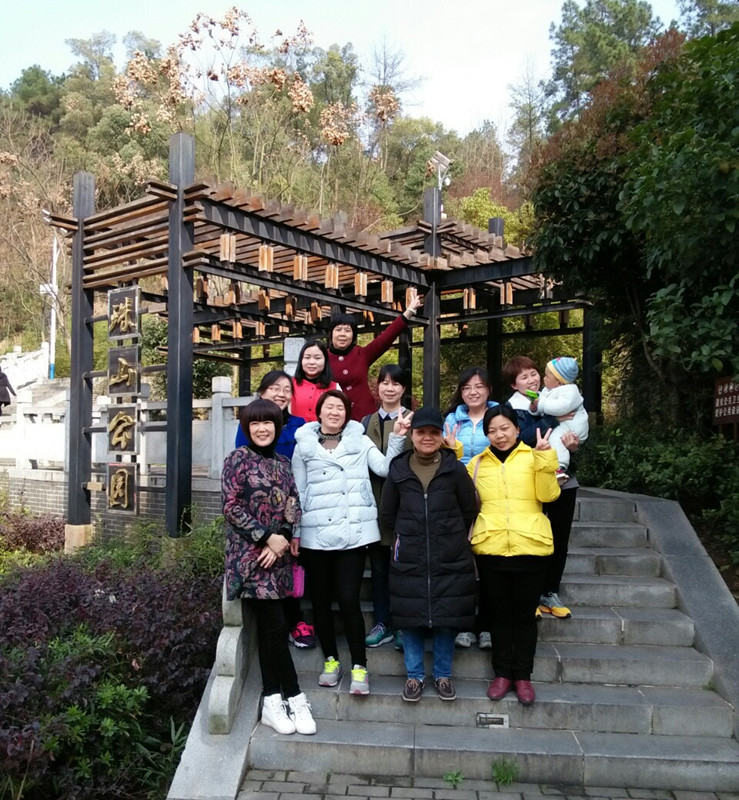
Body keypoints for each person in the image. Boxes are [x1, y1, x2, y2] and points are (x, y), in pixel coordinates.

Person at [292, 390, 409, 696]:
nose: (335, 412)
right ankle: (331, 661)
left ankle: (359, 665)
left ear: (347, 414)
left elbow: (384, 468)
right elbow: (298, 490)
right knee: (320, 602)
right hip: (315, 534)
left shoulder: (360, 439)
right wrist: (295, 532)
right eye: (329, 407)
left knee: (348, 600)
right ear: (318, 412)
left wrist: (397, 438)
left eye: (340, 408)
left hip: (352, 533)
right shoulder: (303, 445)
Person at [222, 398, 316, 735]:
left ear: (277, 426)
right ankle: (295, 695)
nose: (262, 429)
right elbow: (230, 507)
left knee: (271, 630)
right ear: (247, 427)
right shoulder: (237, 459)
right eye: (255, 423)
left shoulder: (282, 462)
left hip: (278, 558)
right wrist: (266, 538)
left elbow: (293, 503)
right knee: (275, 627)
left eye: (268, 423)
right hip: (250, 559)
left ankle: (272, 701)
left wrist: (283, 537)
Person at [381, 406, 478, 703]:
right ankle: (414, 676)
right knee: (410, 618)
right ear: (411, 435)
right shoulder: (399, 468)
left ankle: (442, 674)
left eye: (433, 432)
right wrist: (407, 537)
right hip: (409, 554)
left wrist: (449, 535)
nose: (427, 437)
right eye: (421, 432)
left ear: (441, 437)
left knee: (446, 618)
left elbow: (469, 508)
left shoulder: (454, 468)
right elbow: (387, 513)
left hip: (449, 554)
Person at [468, 404, 560, 705]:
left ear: (517, 429)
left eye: (505, 428)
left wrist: (545, 459)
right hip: (492, 548)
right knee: (498, 616)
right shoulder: (477, 464)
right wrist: (452, 451)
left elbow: (549, 495)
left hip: (530, 548)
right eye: (492, 430)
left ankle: (523, 676)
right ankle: (502, 674)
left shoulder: (534, 458)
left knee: (524, 617)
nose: (499, 435)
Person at [234, 370, 315, 648]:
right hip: (258, 517)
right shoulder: (249, 425)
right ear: (262, 392)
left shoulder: (301, 426)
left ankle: (296, 622)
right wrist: (268, 537)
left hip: (290, 511)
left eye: (286, 389)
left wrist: (287, 530)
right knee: (267, 572)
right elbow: (242, 479)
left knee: (292, 566)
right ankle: (277, 628)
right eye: (274, 388)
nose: (281, 394)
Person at [503, 356, 583, 620]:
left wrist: (574, 446)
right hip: (530, 482)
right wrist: (552, 420)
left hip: (563, 481)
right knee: (532, 537)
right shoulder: (512, 408)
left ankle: (550, 591)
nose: (532, 380)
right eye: (523, 377)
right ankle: (530, 594)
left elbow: (571, 439)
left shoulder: (560, 397)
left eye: (534, 373)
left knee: (559, 538)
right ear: (514, 385)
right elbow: (519, 440)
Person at [443, 366, 498, 650]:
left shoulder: (498, 416)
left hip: (494, 492)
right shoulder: (453, 419)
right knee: (462, 560)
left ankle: (486, 625)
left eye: (478, 386)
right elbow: (445, 458)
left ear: (489, 389)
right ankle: (463, 625)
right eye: (466, 388)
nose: (472, 392)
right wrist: (452, 447)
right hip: (459, 494)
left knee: (489, 559)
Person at [360, 364, 412, 650]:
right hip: (373, 506)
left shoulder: (413, 420)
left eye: (396, 383)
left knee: (402, 570)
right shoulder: (365, 421)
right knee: (379, 570)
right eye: (384, 383)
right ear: (377, 387)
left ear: (403, 388)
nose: (389, 388)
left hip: (404, 507)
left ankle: (403, 624)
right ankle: (382, 623)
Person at [327, 294, 423, 421]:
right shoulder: (323, 358)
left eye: (347, 330)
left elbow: (385, 338)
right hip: (335, 418)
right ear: (331, 334)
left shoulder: (362, 354)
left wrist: (409, 312)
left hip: (365, 418)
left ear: (353, 336)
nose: (342, 334)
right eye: (338, 330)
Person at [530, 357, 589, 484]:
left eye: (547, 376)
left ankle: (560, 467)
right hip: (563, 423)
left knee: (555, 438)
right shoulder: (548, 389)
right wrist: (534, 408)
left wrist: (541, 403)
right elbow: (543, 408)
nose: (544, 378)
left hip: (573, 424)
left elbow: (560, 408)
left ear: (559, 382)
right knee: (554, 437)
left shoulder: (571, 391)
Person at [291, 339, 341, 422]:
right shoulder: (290, 384)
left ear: (325, 360)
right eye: (307, 357)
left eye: (317, 358)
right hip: (295, 430)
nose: (311, 362)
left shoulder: (335, 387)